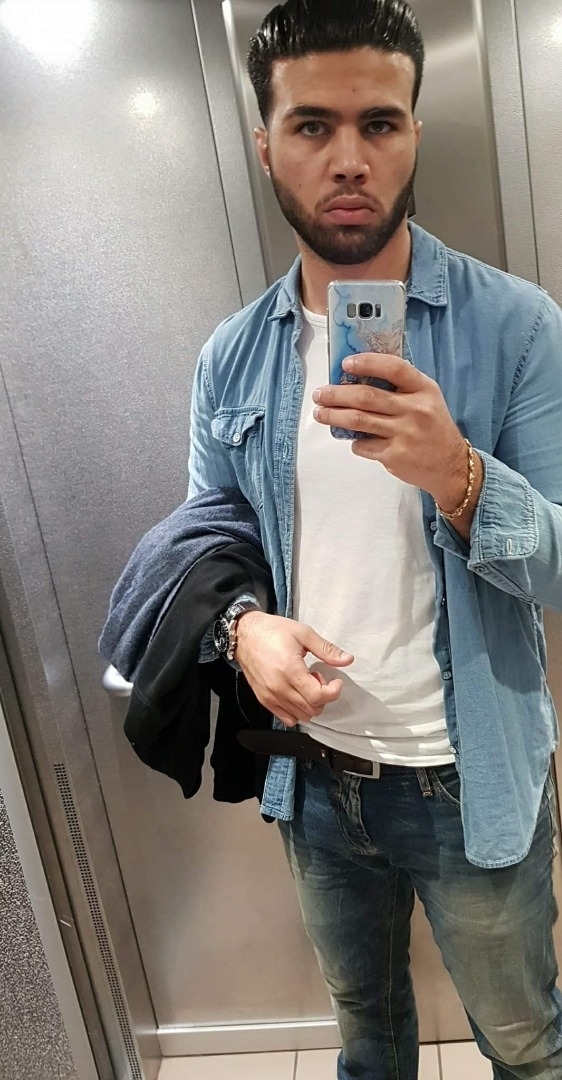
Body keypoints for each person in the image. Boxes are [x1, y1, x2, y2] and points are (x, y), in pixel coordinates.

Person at [187, 1, 562, 1076]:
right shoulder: (229, 358)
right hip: (313, 780)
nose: (348, 159)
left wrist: (457, 474)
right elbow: (207, 551)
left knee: (525, 1042)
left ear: (413, 133)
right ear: (265, 145)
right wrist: (242, 628)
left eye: (379, 123)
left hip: (470, 778)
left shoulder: (515, 326)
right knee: (366, 1030)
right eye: (311, 125)